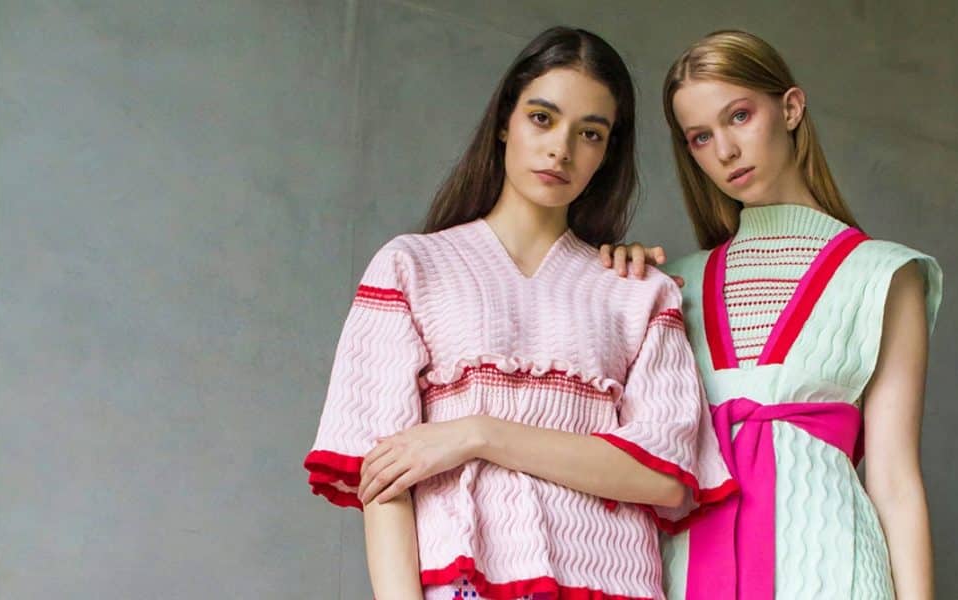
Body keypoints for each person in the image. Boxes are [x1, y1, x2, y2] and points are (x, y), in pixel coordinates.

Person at [303, 26, 734, 600]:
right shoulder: (412, 267)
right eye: (542, 118)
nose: (561, 149)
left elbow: (663, 478)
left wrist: (478, 434)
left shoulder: (638, 291)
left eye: (590, 133)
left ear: (607, 152)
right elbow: (383, 477)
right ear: (505, 120)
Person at [600, 30, 942, 599]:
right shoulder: (669, 284)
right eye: (701, 137)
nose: (725, 151)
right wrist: (604, 283)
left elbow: (895, 480)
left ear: (790, 108)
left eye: (739, 116)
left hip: (835, 570)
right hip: (684, 570)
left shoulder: (885, 273)